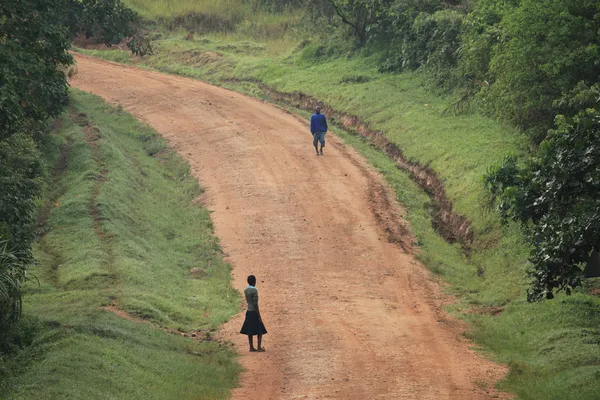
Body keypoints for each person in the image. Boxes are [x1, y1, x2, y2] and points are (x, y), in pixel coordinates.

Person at [240, 275, 267, 352]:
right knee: (260, 329)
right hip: (254, 312)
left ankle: (251, 347)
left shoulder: (246, 290)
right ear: (254, 282)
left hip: (248, 311)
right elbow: (255, 304)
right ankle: (259, 347)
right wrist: (259, 315)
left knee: (250, 330)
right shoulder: (255, 290)